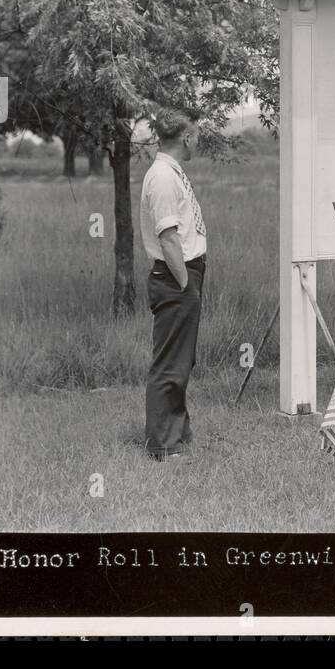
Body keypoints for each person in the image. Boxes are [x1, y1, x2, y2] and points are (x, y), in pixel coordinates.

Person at [139, 108, 207, 461]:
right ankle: (164, 445)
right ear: (185, 137)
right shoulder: (164, 177)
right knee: (170, 362)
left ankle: (177, 432)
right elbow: (168, 238)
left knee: (182, 359)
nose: (197, 140)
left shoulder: (170, 172)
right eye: (194, 135)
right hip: (175, 276)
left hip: (184, 272)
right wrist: (185, 284)